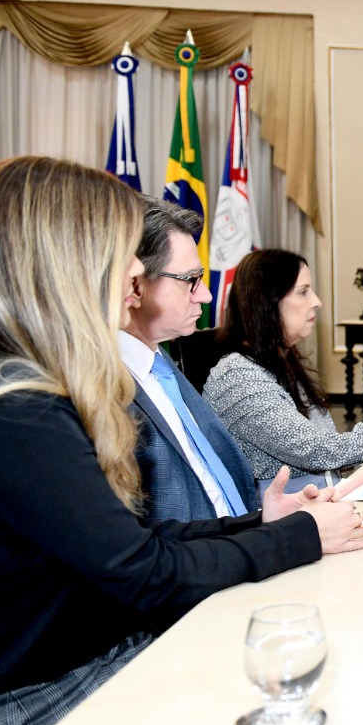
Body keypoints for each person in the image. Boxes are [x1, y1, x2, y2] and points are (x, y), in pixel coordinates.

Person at [0, 157, 363, 725]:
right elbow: (143, 576)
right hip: (18, 713)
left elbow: (130, 548)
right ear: (65, 262)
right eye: (121, 252)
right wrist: (301, 536)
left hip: (61, 669)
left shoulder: (13, 385)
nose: (134, 273)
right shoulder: (11, 409)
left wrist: (263, 525)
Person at [205, 250, 363, 488]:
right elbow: (317, 450)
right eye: (303, 291)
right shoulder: (237, 377)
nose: (317, 301)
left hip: (315, 505)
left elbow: (329, 451)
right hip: (278, 524)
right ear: (267, 302)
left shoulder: (281, 361)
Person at [119, 196, 260, 522]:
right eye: (190, 280)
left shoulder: (162, 366)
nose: (206, 295)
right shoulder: (104, 389)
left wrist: (264, 521)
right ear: (135, 283)